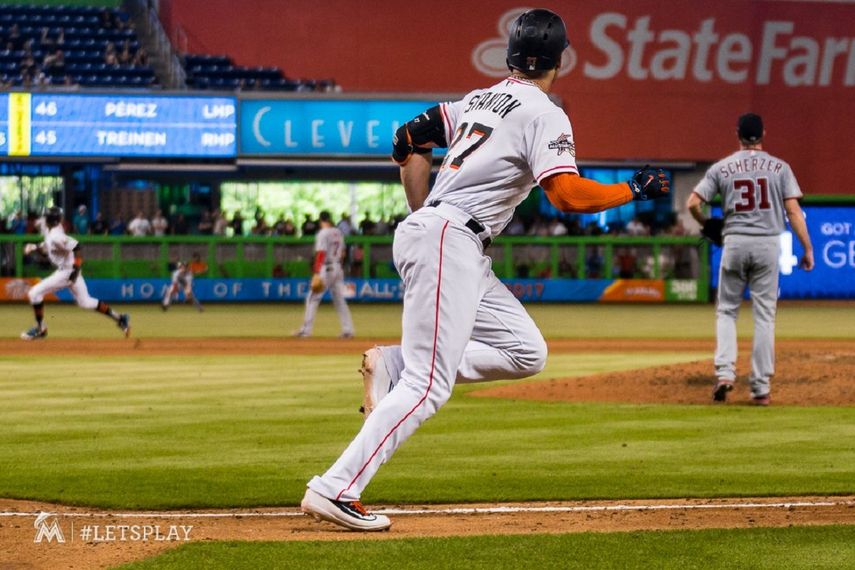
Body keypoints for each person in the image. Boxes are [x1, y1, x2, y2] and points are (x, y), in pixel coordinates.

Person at [299, 8, 669, 531]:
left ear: (510, 56)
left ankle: (395, 364)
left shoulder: (477, 100)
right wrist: (630, 190)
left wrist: (423, 212)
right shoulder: (545, 112)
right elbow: (565, 194)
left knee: (526, 352)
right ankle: (336, 487)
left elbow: (408, 137)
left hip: (450, 239)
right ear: (561, 60)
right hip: (450, 238)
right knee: (429, 387)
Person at [687, 113, 813, 406]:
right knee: (764, 316)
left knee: (727, 311)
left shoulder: (722, 167)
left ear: (738, 134)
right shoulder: (780, 167)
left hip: (734, 242)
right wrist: (807, 248)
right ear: (763, 134)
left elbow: (692, 204)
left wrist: (706, 224)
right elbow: (794, 212)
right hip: (767, 244)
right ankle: (760, 388)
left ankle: (725, 374)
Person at [20, 207, 130, 340]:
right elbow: (47, 249)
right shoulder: (51, 230)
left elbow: (76, 246)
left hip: (67, 272)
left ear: (49, 221)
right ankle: (120, 318)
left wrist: (76, 269)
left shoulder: (56, 236)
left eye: (46, 217)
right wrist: (35, 247)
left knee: (34, 293)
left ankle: (40, 329)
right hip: (68, 271)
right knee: (85, 302)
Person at [294, 211, 354, 338]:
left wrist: (316, 272)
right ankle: (348, 330)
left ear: (321, 220)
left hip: (326, 268)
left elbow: (321, 253)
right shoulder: (338, 232)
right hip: (337, 267)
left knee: (312, 298)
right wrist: (338, 267)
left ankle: (306, 330)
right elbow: (343, 252)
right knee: (340, 301)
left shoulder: (323, 233)